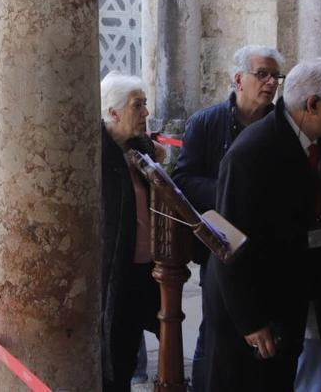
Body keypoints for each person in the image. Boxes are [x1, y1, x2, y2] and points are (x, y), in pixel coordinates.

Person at [201, 58, 321, 392]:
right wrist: (251, 320)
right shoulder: (253, 152)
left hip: (293, 297)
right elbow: (227, 242)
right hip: (252, 304)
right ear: (312, 104)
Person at [173, 44, 284, 384]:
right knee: (216, 325)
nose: (270, 83)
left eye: (275, 76)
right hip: (221, 243)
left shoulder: (281, 127)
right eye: (261, 74)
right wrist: (230, 191)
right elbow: (183, 179)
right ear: (238, 79)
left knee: (266, 328)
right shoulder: (206, 123)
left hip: (268, 247)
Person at [99, 73, 163, 392]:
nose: (146, 113)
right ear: (112, 112)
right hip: (113, 274)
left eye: (145, 104)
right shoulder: (95, 154)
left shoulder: (142, 148)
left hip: (148, 269)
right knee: (114, 360)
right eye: (138, 105)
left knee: (162, 332)